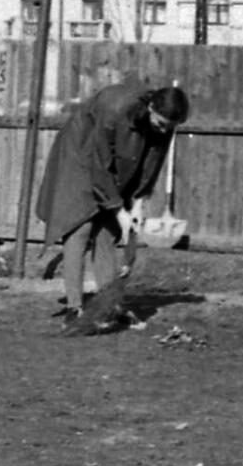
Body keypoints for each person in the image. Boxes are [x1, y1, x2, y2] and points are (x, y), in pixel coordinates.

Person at [34, 81, 189, 330]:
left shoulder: (166, 124)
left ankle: (108, 305)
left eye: (168, 128)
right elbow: (99, 163)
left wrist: (138, 201)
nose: (163, 131)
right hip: (81, 153)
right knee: (80, 226)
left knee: (107, 231)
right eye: (160, 124)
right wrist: (118, 210)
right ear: (150, 107)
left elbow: (153, 161)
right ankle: (74, 309)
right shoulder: (114, 109)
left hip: (124, 156)